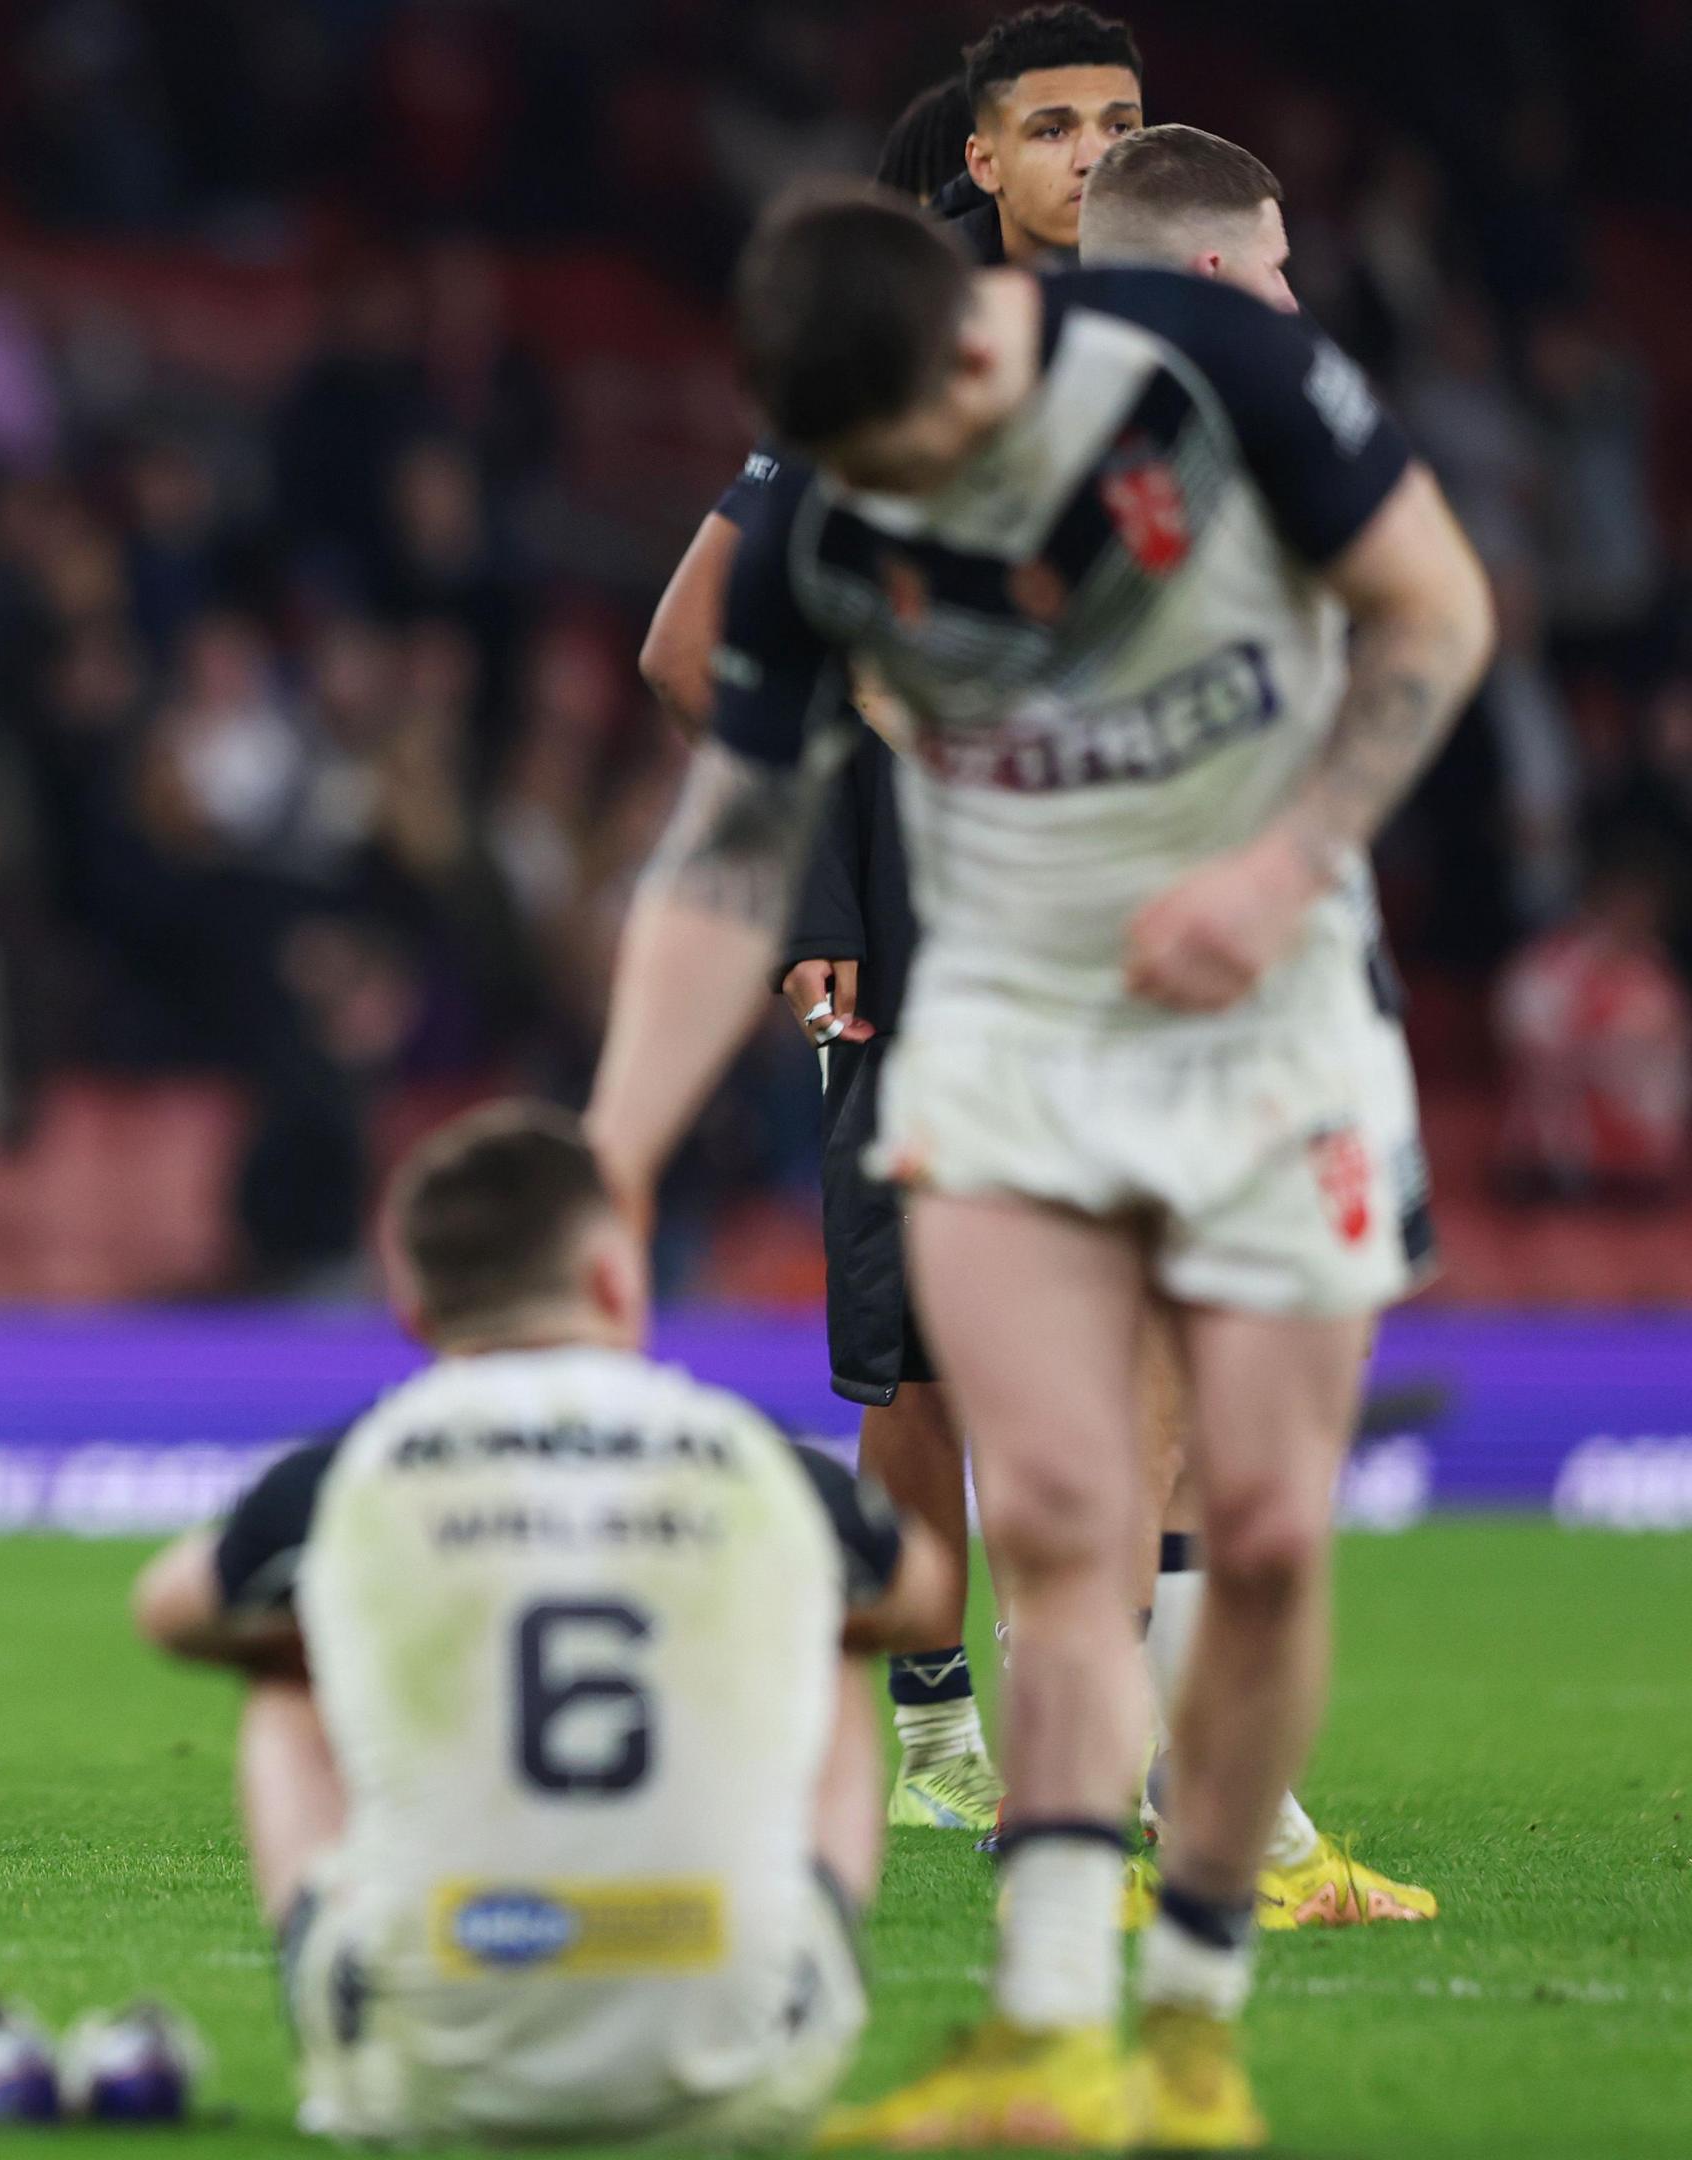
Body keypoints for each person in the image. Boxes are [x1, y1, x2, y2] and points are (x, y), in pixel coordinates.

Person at [587, 186, 1490, 2146]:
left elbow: (1439, 612)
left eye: (919, 455)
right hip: (1004, 1033)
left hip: (1263, 1017)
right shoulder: (829, 505)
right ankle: (1053, 2024)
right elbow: (728, 850)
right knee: (1064, 1527)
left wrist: (1282, 863)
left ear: (974, 348)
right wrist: (615, 1147)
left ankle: (1194, 2018)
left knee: (1252, 1533)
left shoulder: (1210, 368)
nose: (898, 502)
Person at [635, 9, 1145, 1836]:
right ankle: (936, 1738)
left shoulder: (1208, 343)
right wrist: (821, 869)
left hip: (1145, 934)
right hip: (923, 934)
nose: (1098, 156)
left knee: (1146, 1337)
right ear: (989, 161)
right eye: (1059, 126)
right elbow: (697, 651)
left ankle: (1133, 1747)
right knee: (922, 1357)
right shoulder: (885, 359)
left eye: (1123, 124)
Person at [131, 1104, 957, 2149]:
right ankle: (795, 1948)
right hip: (739, 2080)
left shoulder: (358, 1468)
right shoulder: (751, 1455)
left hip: (431, 2091)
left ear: (415, 1311)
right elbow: (925, 1597)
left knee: (282, 1659)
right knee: (839, 1621)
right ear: (616, 1279)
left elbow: (166, 1610)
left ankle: (365, 1985)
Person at [1077, 120, 1438, 1931]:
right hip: (1241, 984)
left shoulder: (980, 405)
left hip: (1049, 986)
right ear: (1218, 270)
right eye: (1279, 257)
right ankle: (1222, 1845)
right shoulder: (1259, 396)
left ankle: (1166, 1835)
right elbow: (1433, 620)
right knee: (1224, 1443)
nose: (1298, 288)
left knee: (1129, 1436)